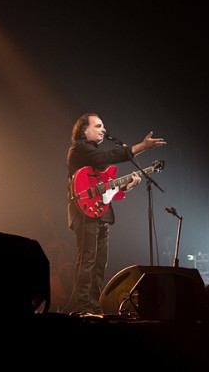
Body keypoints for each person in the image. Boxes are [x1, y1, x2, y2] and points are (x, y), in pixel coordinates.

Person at [65, 112, 166, 315]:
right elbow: (109, 156)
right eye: (98, 126)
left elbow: (106, 189)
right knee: (87, 260)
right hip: (84, 213)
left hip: (100, 213)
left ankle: (93, 305)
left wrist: (126, 187)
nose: (103, 129)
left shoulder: (94, 156)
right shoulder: (80, 149)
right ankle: (81, 306)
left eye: (103, 126)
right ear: (84, 130)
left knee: (99, 263)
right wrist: (142, 146)